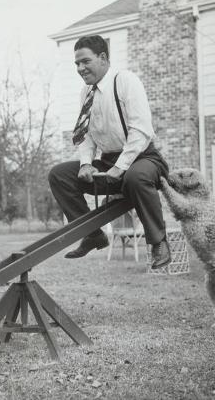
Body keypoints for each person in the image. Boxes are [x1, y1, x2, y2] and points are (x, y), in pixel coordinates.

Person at [48, 35, 171, 269]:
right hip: (109, 165)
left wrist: (121, 166)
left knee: (136, 176)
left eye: (85, 61)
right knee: (59, 174)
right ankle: (93, 234)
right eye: (77, 64)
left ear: (103, 58)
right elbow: (85, 135)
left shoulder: (125, 81)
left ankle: (158, 242)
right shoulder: (86, 93)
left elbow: (141, 131)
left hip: (143, 159)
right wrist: (86, 163)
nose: (81, 69)